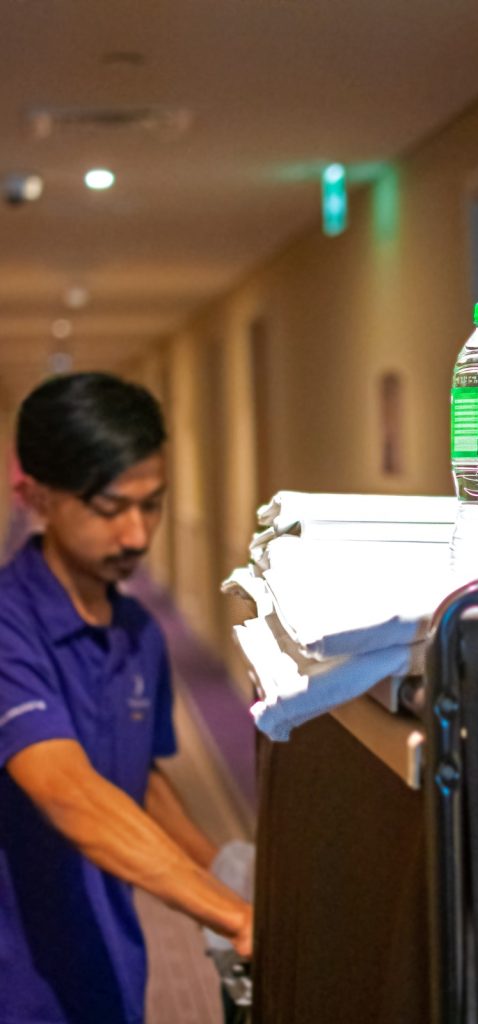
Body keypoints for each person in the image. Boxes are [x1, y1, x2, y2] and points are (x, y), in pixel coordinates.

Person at [0, 372, 252, 1024]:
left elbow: (135, 777)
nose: (137, 535)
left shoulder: (139, 632)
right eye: (111, 509)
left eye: (153, 505)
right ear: (38, 498)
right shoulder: (8, 625)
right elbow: (69, 792)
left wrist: (222, 870)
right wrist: (230, 914)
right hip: (19, 983)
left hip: (109, 966)